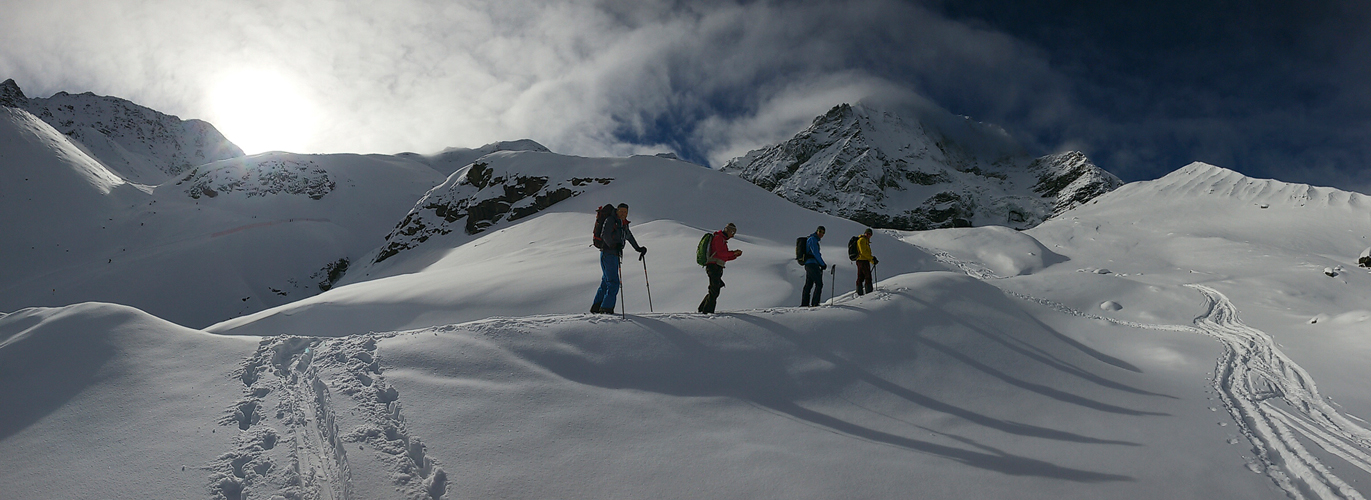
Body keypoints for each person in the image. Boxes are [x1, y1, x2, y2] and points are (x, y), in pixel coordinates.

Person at [591, 203, 646, 314]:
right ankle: (606, 309)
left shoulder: (622, 223)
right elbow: (605, 235)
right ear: (617, 211)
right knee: (614, 282)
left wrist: (638, 248)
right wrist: (613, 245)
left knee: (606, 282)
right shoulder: (611, 220)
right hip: (608, 254)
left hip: (612, 255)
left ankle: (597, 307)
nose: (623, 214)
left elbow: (629, 236)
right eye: (621, 211)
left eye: (625, 212)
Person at [698, 223, 742, 314]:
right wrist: (733, 253)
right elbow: (721, 253)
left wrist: (734, 255)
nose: (732, 235)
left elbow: (722, 256)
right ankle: (707, 311)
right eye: (732, 232)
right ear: (728, 230)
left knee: (715, 288)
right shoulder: (718, 238)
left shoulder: (722, 239)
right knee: (714, 289)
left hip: (717, 266)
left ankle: (703, 309)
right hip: (713, 266)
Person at [801, 226, 827, 307]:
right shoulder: (812, 239)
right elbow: (815, 253)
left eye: (823, 232)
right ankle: (815, 303)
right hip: (812, 264)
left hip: (809, 264)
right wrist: (822, 264)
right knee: (819, 283)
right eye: (820, 231)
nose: (821, 234)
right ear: (816, 231)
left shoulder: (813, 239)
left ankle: (805, 304)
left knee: (809, 284)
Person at [854, 228, 879, 295]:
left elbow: (865, 253)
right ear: (865, 233)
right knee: (867, 276)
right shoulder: (862, 240)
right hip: (863, 261)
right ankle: (869, 293)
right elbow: (863, 252)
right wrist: (872, 259)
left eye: (870, 234)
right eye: (867, 234)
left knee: (860, 277)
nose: (868, 235)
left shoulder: (864, 240)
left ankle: (859, 292)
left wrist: (872, 260)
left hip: (861, 260)